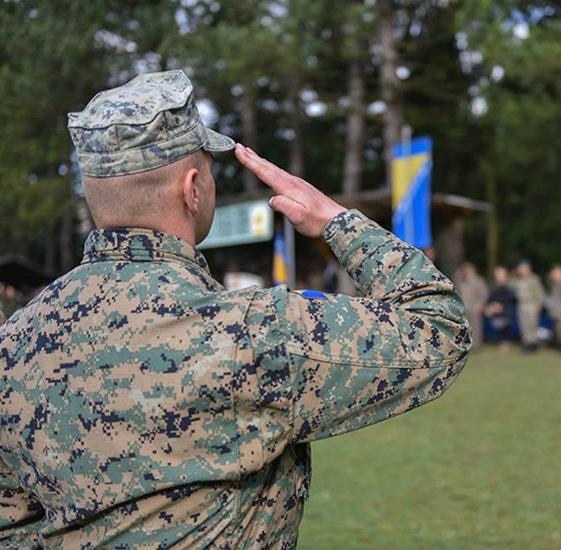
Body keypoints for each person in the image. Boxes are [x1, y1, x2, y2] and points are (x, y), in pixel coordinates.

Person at [0, 71, 471, 548]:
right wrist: (335, 221)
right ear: (193, 189)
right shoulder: (250, 329)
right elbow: (439, 328)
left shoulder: (13, 342)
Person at [510, 260, 545, 352]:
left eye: (523, 268)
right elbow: (510, 285)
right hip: (521, 305)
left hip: (531, 304)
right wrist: (513, 274)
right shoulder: (517, 280)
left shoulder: (534, 279)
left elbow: (540, 294)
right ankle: (527, 343)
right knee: (523, 326)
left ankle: (533, 344)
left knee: (532, 325)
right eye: (520, 268)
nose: (521, 270)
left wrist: (538, 306)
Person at [455, 262, 489, 349]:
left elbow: (483, 294)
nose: (467, 272)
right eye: (466, 270)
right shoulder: (461, 281)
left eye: (469, 270)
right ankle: (465, 344)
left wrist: (480, 305)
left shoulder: (478, 281)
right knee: (464, 327)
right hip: (463, 308)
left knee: (476, 327)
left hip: (474, 308)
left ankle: (476, 345)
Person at [485, 265, 516, 351]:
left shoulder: (510, 285)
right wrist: (491, 306)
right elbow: (490, 298)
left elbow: (511, 298)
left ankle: (505, 341)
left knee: (504, 322)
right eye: (497, 274)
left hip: (507, 310)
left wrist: (500, 306)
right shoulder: (492, 286)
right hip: (495, 309)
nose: (498, 276)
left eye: (500, 274)